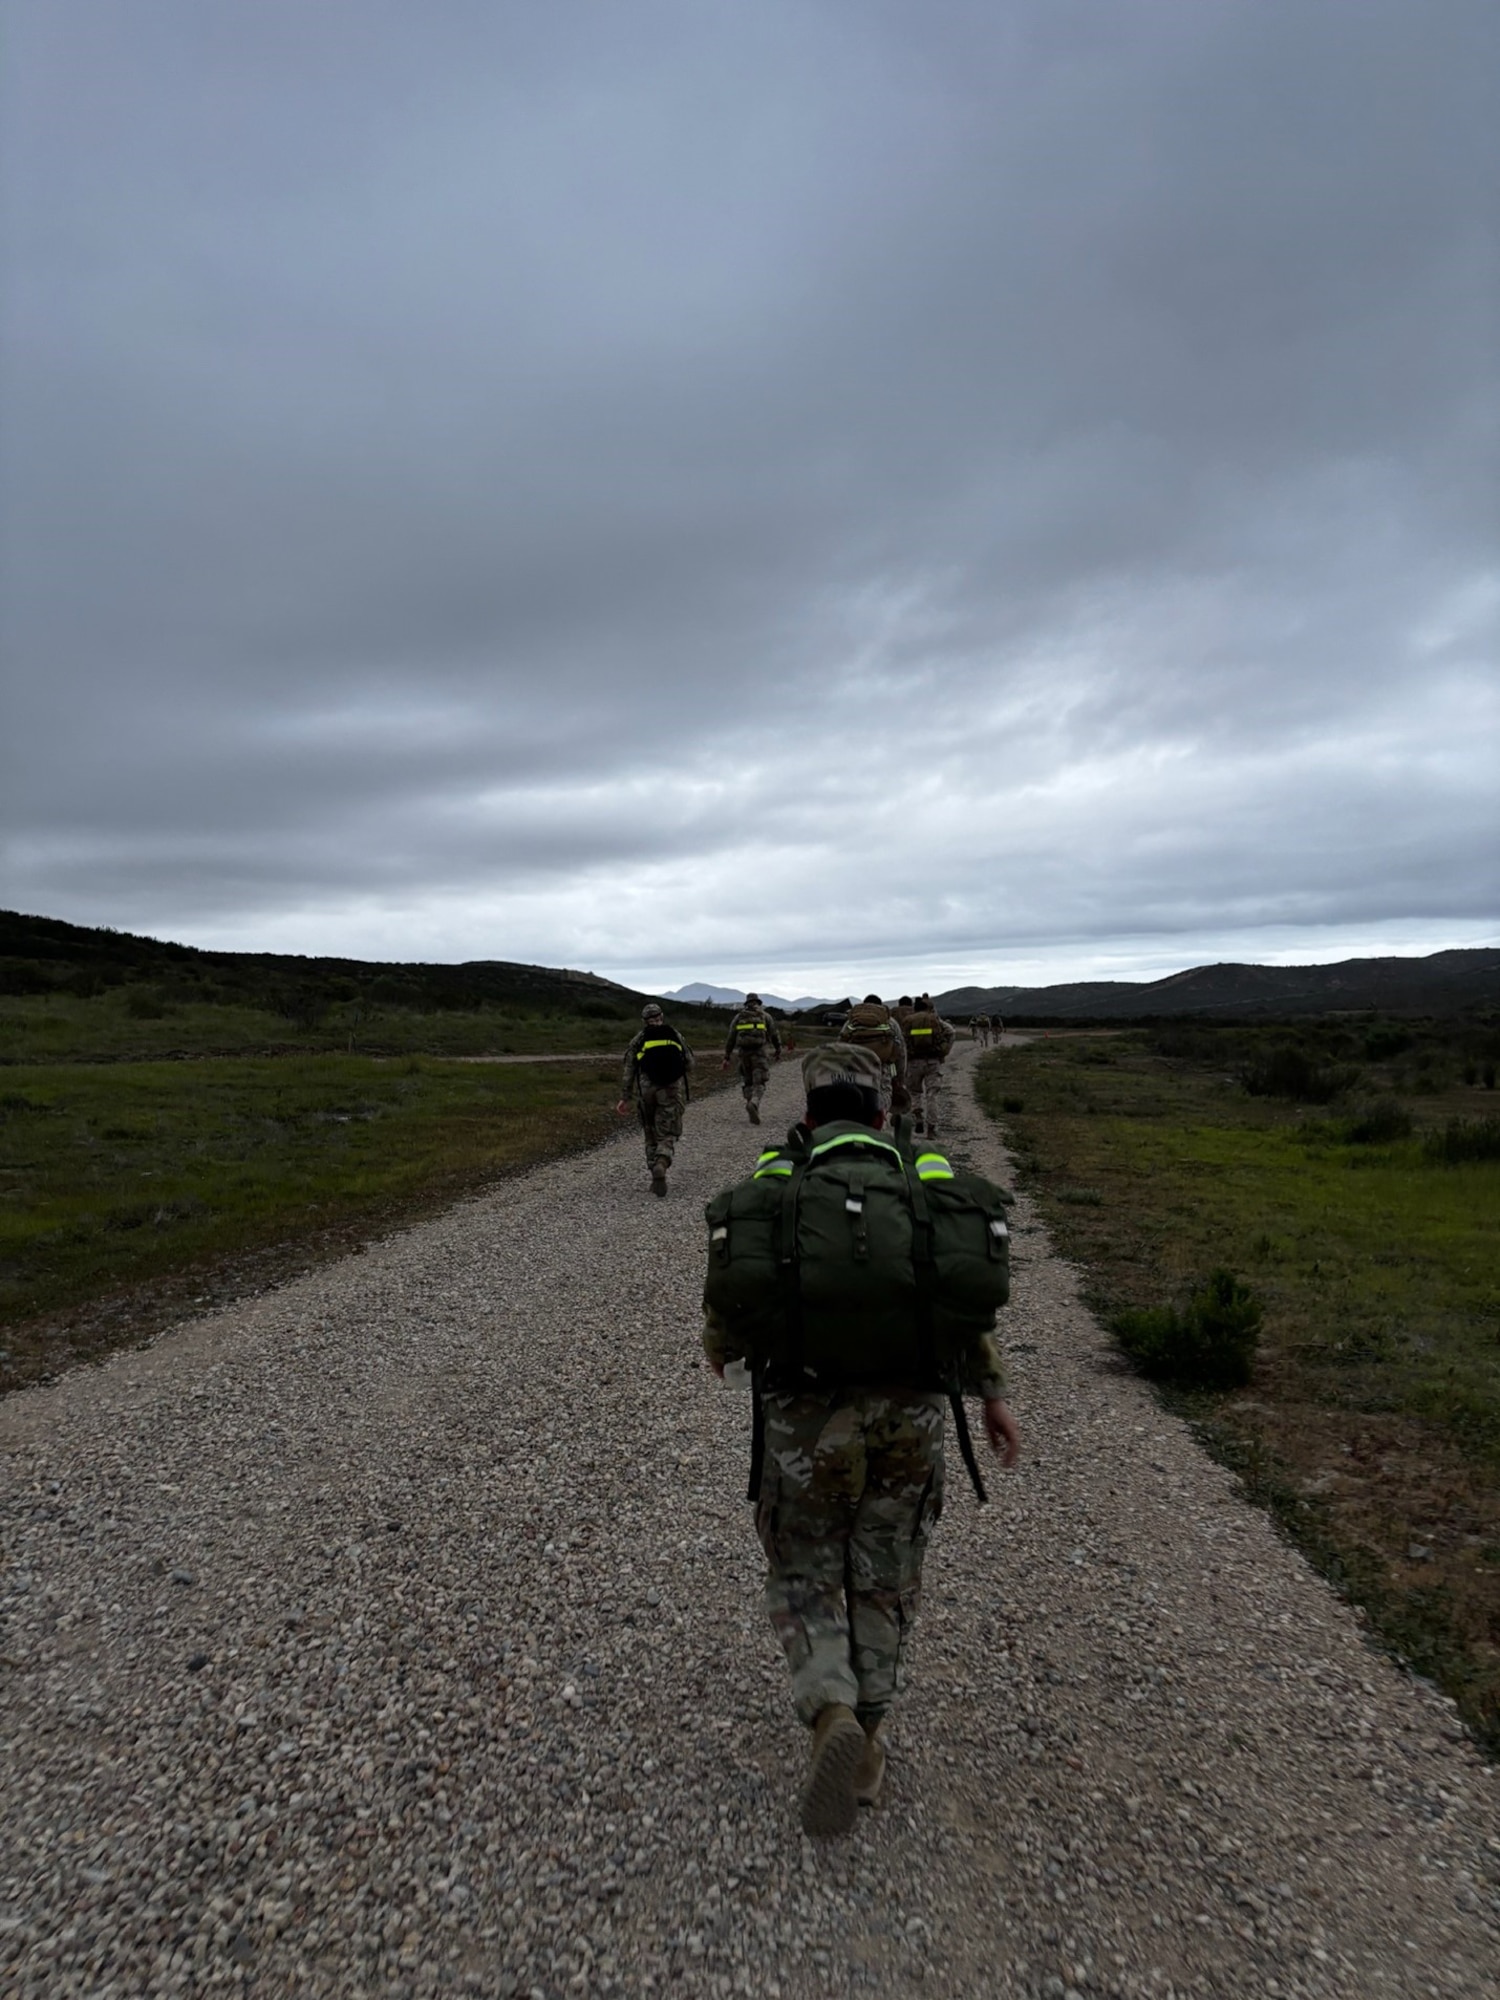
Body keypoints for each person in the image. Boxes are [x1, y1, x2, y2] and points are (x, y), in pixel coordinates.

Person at [702, 1044, 1020, 1838]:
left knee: (805, 1568)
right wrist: (993, 1397)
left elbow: (727, 1321)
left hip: (805, 1416)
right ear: (884, 1117)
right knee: (886, 1571)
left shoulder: (780, 1184)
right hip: (912, 1412)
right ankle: (870, 1736)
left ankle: (830, 1710)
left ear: (807, 1119)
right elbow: (959, 1306)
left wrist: (725, 1344)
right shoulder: (921, 1178)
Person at [616, 1003, 694, 1195]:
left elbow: (629, 1070)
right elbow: (691, 1063)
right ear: (661, 1017)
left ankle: (654, 1172)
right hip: (670, 1091)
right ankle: (662, 1161)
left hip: (647, 1091)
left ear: (644, 1021)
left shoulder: (639, 1039)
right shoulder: (674, 1034)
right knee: (667, 1132)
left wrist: (625, 1097)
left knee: (650, 1132)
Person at [837, 993, 907, 1114]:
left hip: (855, 1066)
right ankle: (880, 1124)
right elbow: (900, 1051)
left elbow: (839, 1045)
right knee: (883, 1097)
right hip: (882, 1067)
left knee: (855, 1097)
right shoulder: (890, 1022)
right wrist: (899, 1077)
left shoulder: (851, 1022)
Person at [720, 992, 782, 1124]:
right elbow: (774, 1034)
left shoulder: (739, 1017)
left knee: (748, 1082)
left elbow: (731, 1038)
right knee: (759, 1082)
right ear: (758, 1003)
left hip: (744, 1054)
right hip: (759, 1053)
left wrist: (727, 1056)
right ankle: (754, 1103)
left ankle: (750, 1104)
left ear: (746, 1003)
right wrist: (778, 1049)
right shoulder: (765, 1016)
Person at [901, 998, 955, 1137]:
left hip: (914, 1062)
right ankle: (931, 1128)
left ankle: (918, 1116)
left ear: (914, 1008)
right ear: (926, 1008)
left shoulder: (908, 1020)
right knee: (931, 1095)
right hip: (933, 1061)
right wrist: (945, 1050)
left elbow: (902, 1040)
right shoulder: (934, 1019)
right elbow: (951, 1032)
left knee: (914, 1092)